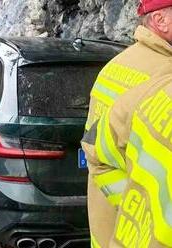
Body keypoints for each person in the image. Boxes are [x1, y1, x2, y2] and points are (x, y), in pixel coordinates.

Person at [83, 1, 172, 247]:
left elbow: (94, 147)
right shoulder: (164, 75)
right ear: (160, 20)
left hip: (107, 226)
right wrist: (138, 209)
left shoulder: (116, 65)